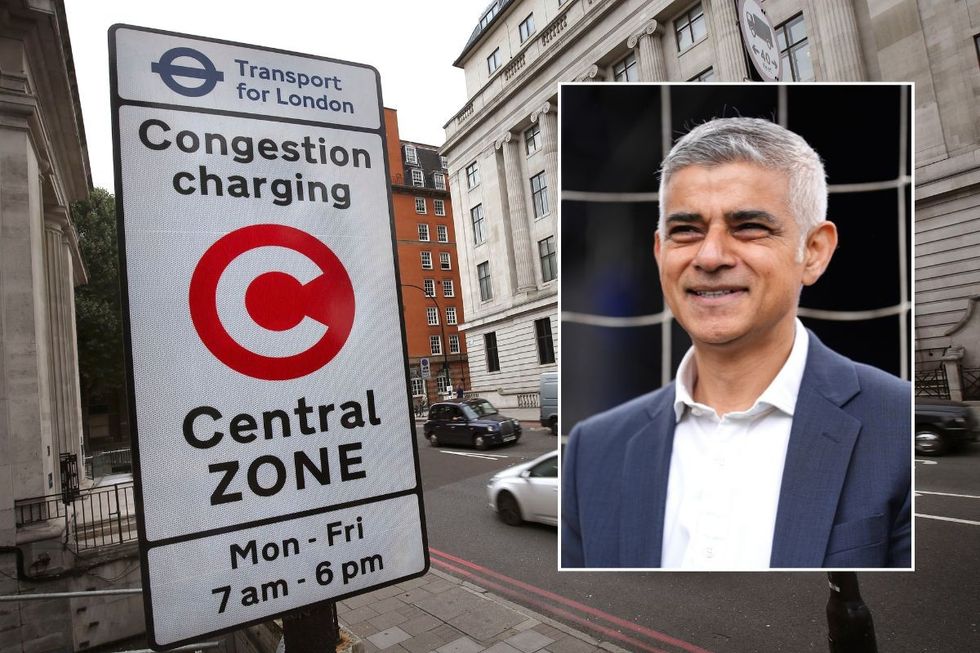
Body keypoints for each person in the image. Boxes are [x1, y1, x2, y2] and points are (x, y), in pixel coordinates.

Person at [560, 117, 911, 569]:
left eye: (748, 226)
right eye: (686, 229)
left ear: (815, 251)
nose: (710, 256)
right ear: (659, 252)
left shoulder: (898, 424)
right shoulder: (593, 448)